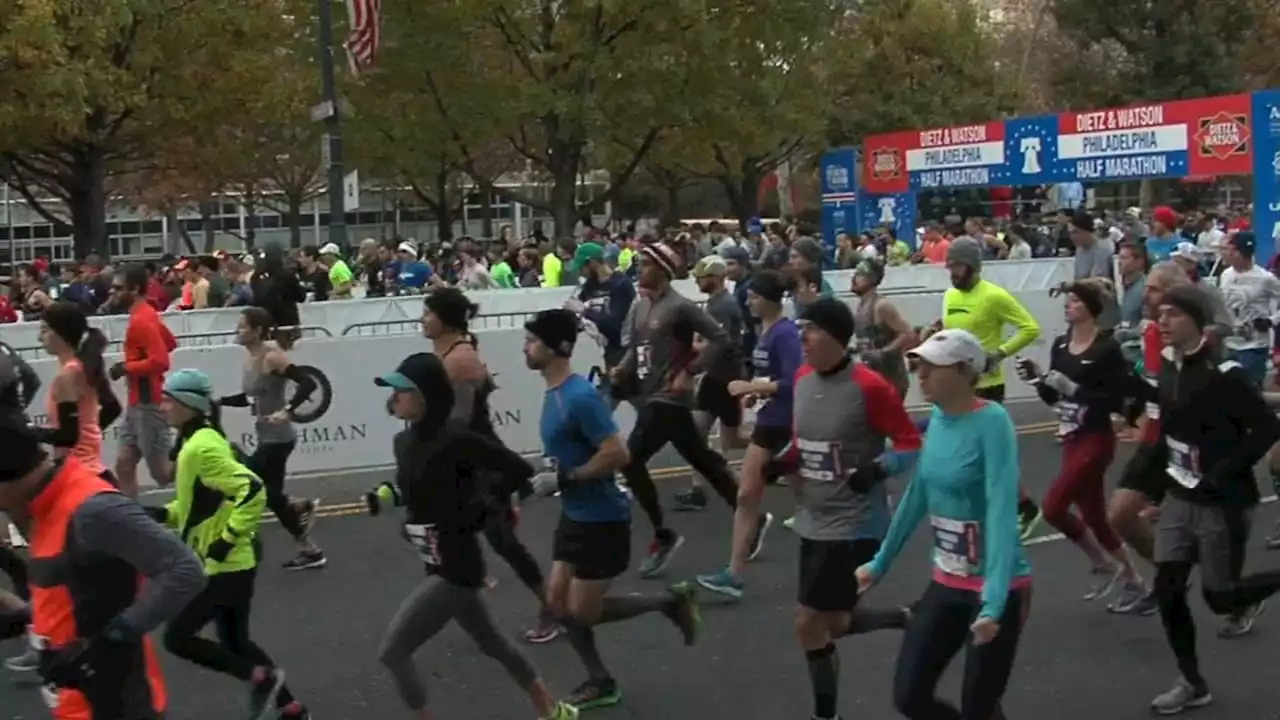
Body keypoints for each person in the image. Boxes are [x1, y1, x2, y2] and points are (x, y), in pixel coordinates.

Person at [369, 352, 579, 720]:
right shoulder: (403, 444)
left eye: (401, 390)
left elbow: (516, 471)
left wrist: (481, 510)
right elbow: (419, 489)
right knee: (492, 642)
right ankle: (552, 710)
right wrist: (390, 496)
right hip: (433, 560)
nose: (394, 397)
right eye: (393, 391)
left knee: (393, 652)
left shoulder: (457, 440)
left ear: (425, 394)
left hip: (458, 568)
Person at [523, 310, 701, 710]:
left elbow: (618, 453)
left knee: (581, 613)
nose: (525, 346)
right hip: (575, 514)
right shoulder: (555, 394)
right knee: (557, 602)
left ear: (556, 348)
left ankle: (669, 603)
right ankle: (600, 680)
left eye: (532, 340)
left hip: (603, 519)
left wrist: (566, 479)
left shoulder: (579, 397)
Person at [759, 298, 921, 720]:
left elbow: (908, 444)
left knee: (808, 621)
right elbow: (803, 440)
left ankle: (827, 715)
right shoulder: (802, 379)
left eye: (810, 331)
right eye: (800, 331)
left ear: (835, 336)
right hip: (813, 517)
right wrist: (785, 460)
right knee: (832, 622)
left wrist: (879, 468)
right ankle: (906, 618)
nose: (802, 340)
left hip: (855, 523)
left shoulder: (869, 386)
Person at [859, 329, 1030, 720]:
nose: (920, 375)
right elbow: (918, 494)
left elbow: (1002, 509)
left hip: (996, 586)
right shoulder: (938, 419)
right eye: (919, 366)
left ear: (962, 371)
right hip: (947, 583)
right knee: (909, 696)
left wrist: (994, 602)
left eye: (931, 368)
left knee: (979, 707)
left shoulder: (993, 422)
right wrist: (879, 564)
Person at [1134, 285, 1280, 714]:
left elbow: (1268, 429)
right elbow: (1171, 436)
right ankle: (1192, 682)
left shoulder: (1225, 372)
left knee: (1222, 598)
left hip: (1223, 501)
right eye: (1160, 314)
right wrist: (1153, 489)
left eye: (1173, 314)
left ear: (1198, 321)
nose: (1163, 321)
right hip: (1181, 496)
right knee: (1167, 588)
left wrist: (1222, 473)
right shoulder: (1168, 366)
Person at [0, 418, 207, 719]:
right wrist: (23, 618)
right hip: (75, 705)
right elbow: (82, 588)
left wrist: (109, 643)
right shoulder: (44, 506)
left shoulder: (91, 509)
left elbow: (184, 569)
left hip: (118, 705)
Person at [148, 369, 311, 720]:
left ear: (188, 405)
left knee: (177, 638)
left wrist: (227, 539)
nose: (162, 407)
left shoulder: (201, 447)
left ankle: (260, 678)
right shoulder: (202, 439)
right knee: (236, 642)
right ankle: (292, 709)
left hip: (223, 564)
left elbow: (252, 489)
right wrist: (162, 513)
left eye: (168, 400)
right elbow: (202, 503)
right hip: (234, 563)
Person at [422, 288, 556, 642]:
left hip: (481, 463)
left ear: (445, 318)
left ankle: (551, 607)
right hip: (464, 461)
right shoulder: (448, 352)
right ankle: (471, 594)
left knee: (503, 542)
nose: (422, 319)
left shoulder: (460, 359)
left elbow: (461, 421)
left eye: (428, 313)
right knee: (444, 533)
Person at [609, 242, 742, 577]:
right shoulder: (641, 306)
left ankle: (664, 535)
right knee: (706, 462)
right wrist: (623, 368)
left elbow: (721, 338)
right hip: (651, 396)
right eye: (639, 263)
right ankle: (750, 515)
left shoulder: (680, 307)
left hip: (668, 399)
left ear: (663, 270)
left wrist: (689, 372)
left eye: (646, 264)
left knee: (630, 458)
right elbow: (638, 348)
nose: (639, 268)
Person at [1014, 279, 1139, 601]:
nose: (1068, 306)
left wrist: (1073, 389)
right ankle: (1134, 578)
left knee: (1053, 507)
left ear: (1091, 309)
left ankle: (1101, 563)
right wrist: (1038, 380)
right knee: (1095, 516)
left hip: (1095, 438)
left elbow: (1114, 400)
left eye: (1075, 301)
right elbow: (1054, 398)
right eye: (1067, 301)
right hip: (1070, 436)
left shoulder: (1106, 348)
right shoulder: (1059, 344)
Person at [696, 270, 800, 598]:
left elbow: (796, 379)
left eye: (755, 297)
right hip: (769, 422)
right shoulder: (764, 330)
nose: (749, 301)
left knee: (814, 498)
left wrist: (753, 386)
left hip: (788, 423)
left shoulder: (784, 333)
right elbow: (773, 378)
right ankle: (734, 573)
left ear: (770, 299)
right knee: (745, 495)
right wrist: (758, 393)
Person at [938, 238, 1043, 541]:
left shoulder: (993, 296)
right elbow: (953, 331)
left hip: (987, 386)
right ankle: (996, 510)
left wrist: (998, 353)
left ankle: (1024, 508)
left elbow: (1030, 328)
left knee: (988, 456)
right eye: (949, 265)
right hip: (957, 384)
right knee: (967, 456)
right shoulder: (949, 295)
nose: (951, 271)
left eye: (956, 265)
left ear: (972, 265)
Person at [217, 307, 326, 571]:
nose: (237, 330)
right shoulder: (249, 360)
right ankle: (309, 548)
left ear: (257, 331)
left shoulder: (272, 357)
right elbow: (250, 398)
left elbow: (308, 383)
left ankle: (298, 506)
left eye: (242, 326)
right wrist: (219, 402)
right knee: (270, 495)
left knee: (248, 480)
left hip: (279, 438)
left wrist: (287, 411)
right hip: (265, 435)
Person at [675, 254, 749, 511]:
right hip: (717, 377)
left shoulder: (721, 306)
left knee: (732, 440)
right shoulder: (717, 303)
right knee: (700, 436)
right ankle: (699, 489)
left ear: (715, 279)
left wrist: (693, 364)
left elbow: (719, 343)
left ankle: (771, 450)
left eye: (701, 277)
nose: (696, 280)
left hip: (725, 379)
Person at [109, 263, 178, 498]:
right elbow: (169, 343)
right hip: (138, 401)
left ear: (135, 288)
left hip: (148, 403)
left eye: (118, 288)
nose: (113, 293)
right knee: (124, 464)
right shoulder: (145, 314)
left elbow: (161, 361)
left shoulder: (142, 319)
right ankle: (131, 523)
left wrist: (126, 367)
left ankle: (212, 463)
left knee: (163, 474)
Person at [850, 258, 916, 401]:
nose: (853, 278)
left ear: (871, 279)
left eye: (860, 274)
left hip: (890, 381)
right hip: (874, 378)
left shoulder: (881, 306)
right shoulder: (862, 305)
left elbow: (907, 334)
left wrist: (883, 352)